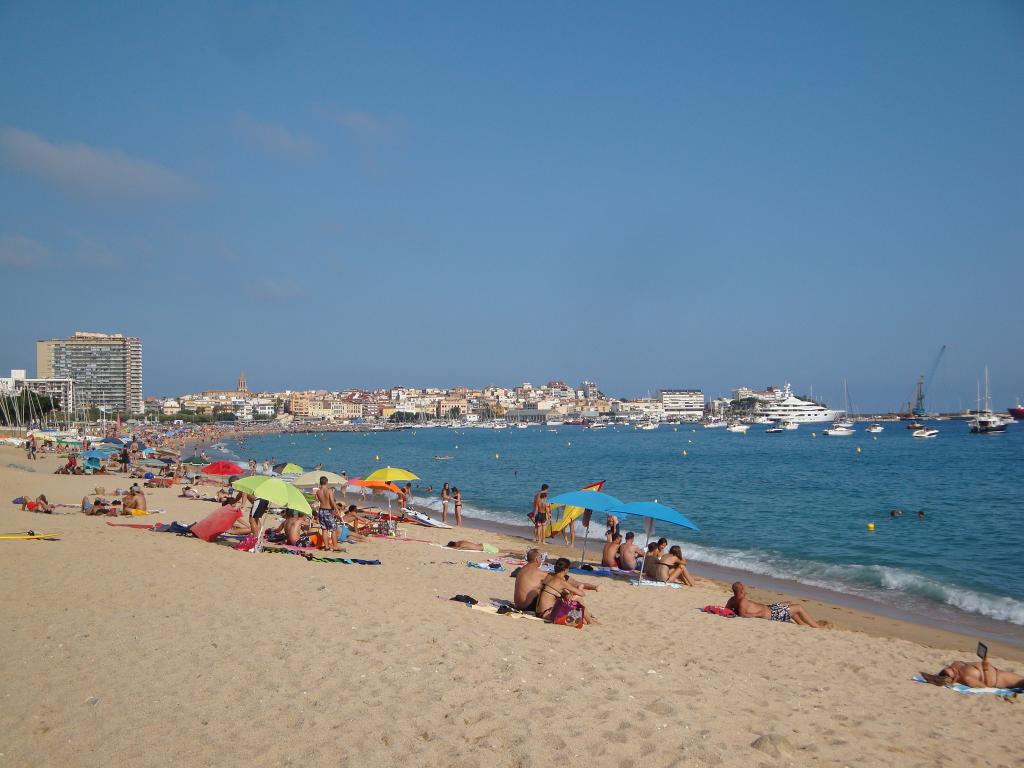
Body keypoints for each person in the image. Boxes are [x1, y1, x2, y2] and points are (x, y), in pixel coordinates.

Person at [725, 582, 820, 628]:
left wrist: (777, 605)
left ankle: (804, 625)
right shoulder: (742, 601)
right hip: (773, 614)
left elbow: (726, 610)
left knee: (790, 607)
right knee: (798, 607)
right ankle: (817, 627)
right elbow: (742, 614)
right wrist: (758, 614)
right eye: (744, 588)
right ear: (741, 591)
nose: (745, 590)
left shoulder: (732, 600)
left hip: (771, 608)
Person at [534, 557, 598, 625]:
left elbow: (555, 592)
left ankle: (588, 619)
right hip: (548, 614)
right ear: (565, 569)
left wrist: (569, 594)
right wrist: (579, 588)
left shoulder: (549, 576)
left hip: (538, 612)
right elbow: (582, 594)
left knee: (583, 621)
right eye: (568, 568)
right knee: (577, 598)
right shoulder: (561, 581)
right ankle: (591, 622)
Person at [920, 659, 1024, 690]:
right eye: (953, 672)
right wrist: (986, 669)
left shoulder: (956, 664)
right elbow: (985, 686)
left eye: (949, 668)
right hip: (1000, 679)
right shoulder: (967, 678)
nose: (953, 668)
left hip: (998, 672)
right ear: (954, 679)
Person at [314, 475, 341, 551]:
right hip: (328, 511)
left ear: (320, 483)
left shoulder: (318, 491)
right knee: (333, 529)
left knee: (324, 529)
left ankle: (326, 547)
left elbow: (317, 500)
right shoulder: (329, 490)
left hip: (321, 511)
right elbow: (332, 501)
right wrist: (337, 510)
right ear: (326, 482)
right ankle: (335, 546)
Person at [445, 540, 522, 556]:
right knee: (502, 550)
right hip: (483, 545)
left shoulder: (461, 545)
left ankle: (520, 552)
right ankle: (520, 551)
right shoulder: (461, 541)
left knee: (503, 551)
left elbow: (465, 548)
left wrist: (456, 548)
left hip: (485, 548)